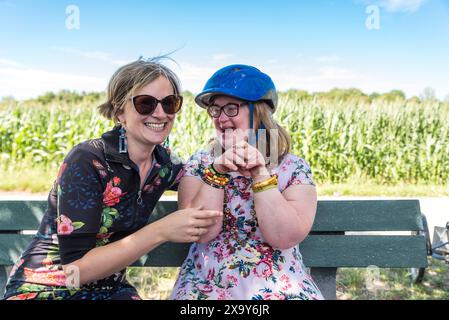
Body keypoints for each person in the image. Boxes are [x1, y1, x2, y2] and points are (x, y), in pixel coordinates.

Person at [2, 57, 222, 300]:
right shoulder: (88, 160)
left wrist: (241, 157)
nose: (160, 113)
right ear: (119, 112)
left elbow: (207, 179)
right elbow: (76, 272)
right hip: (47, 287)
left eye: (170, 103)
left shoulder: (164, 165)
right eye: (145, 103)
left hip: (111, 288)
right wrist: (161, 231)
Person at [170, 64, 324, 300]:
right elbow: (201, 233)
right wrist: (217, 172)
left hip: (279, 283)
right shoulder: (200, 163)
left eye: (231, 108)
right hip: (207, 282)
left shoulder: (293, 168)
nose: (221, 118)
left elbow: (284, 237)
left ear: (259, 111)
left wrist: (261, 175)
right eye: (215, 110)